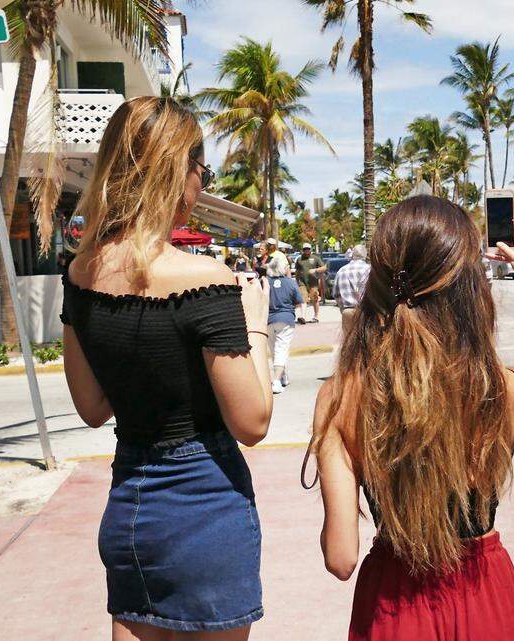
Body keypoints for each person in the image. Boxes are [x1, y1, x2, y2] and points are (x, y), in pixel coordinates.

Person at [57, 96, 272, 640]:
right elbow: (252, 422)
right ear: (181, 172)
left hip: (131, 508)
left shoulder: (81, 274)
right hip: (205, 505)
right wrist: (257, 325)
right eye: (202, 170)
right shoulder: (206, 279)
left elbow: (90, 408)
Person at [311, 196, 514, 641]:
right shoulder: (502, 389)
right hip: (484, 593)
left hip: (394, 602)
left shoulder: (340, 396)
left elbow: (341, 557)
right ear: (468, 287)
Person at [266, 260, 303, 394]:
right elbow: (299, 302)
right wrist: (301, 316)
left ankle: (282, 376)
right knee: (281, 349)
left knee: (274, 349)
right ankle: (276, 381)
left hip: (268, 320)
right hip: (286, 319)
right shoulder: (290, 282)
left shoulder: (265, 282)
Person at [334, 244, 370, 335]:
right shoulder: (370, 270)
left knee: (348, 343)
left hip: (348, 311)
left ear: (353, 255)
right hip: (366, 311)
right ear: (365, 255)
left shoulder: (341, 270)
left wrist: (343, 309)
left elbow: (336, 294)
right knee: (366, 341)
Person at [294, 242, 327, 323]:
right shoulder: (299, 259)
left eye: (308, 249)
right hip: (302, 283)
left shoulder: (315, 258)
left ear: (310, 250)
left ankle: (316, 317)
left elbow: (324, 267)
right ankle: (303, 317)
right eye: (305, 249)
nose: (306, 251)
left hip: (313, 283)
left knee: (315, 299)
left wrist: (315, 270)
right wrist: (296, 282)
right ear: (302, 250)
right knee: (303, 299)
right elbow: (297, 271)